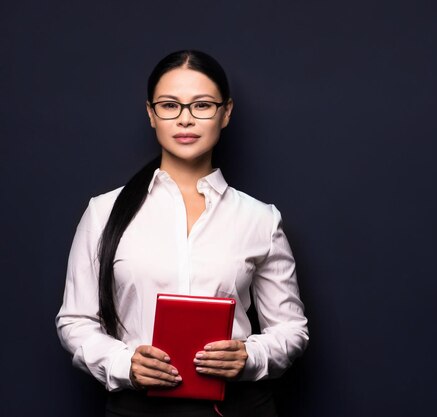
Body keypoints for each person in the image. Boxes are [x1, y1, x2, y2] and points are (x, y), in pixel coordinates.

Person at [56, 50, 309, 417]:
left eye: (202, 105)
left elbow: (290, 329)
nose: (186, 119)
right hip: (137, 408)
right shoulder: (103, 212)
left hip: (237, 407)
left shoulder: (260, 219)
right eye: (170, 105)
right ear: (151, 114)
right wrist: (123, 363)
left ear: (226, 113)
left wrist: (250, 355)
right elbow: (75, 320)